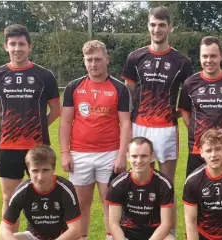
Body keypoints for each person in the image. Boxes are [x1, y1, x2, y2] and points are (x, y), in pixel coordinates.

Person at [0, 24, 60, 223]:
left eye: (22, 44)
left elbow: (56, 111)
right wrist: (12, 128)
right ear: (5, 47)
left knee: (44, 196)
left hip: (38, 148)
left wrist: (37, 127)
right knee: (9, 198)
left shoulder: (45, 76)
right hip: (8, 147)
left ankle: (42, 235)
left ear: (30, 46)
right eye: (13, 44)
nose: (17, 48)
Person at [59, 40, 132, 240]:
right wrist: (65, 153)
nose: (94, 64)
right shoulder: (73, 87)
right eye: (89, 60)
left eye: (98, 59)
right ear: (84, 62)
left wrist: (122, 155)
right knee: (81, 203)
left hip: (110, 154)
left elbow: (126, 124)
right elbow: (65, 122)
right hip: (79, 154)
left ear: (107, 60)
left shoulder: (119, 88)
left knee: (110, 202)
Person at [121, 6, 193, 183]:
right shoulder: (135, 57)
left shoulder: (182, 61)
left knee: (167, 184)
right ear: (147, 26)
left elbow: (190, 94)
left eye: (161, 25)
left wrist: (177, 112)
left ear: (170, 27)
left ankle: (168, 212)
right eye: (153, 24)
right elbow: (128, 92)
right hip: (140, 126)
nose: (156, 29)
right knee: (141, 181)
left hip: (167, 129)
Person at [178, 36, 222, 177]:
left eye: (213, 56)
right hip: (198, 150)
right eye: (205, 56)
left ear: (221, 56)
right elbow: (186, 114)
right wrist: (201, 134)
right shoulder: (189, 84)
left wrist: (221, 136)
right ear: (200, 57)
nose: (209, 60)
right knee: (196, 194)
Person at [0, 145, 81, 240]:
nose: (40, 177)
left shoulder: (65, 189)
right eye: (35, 171)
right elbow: (3, 229)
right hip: (34, 237)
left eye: (45, 170)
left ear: (54, 169)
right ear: (29, 171)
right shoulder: (22, 191)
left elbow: (75, 230)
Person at [106, 137, 175, 240]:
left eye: (144, 156)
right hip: (126, 234)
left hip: (154, 234)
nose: (139, 161)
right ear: (128, 157)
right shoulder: (118, 184)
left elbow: (166, 224)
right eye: (134, 156)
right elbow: (113, 224)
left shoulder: (163, 184)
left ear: (152, 157)